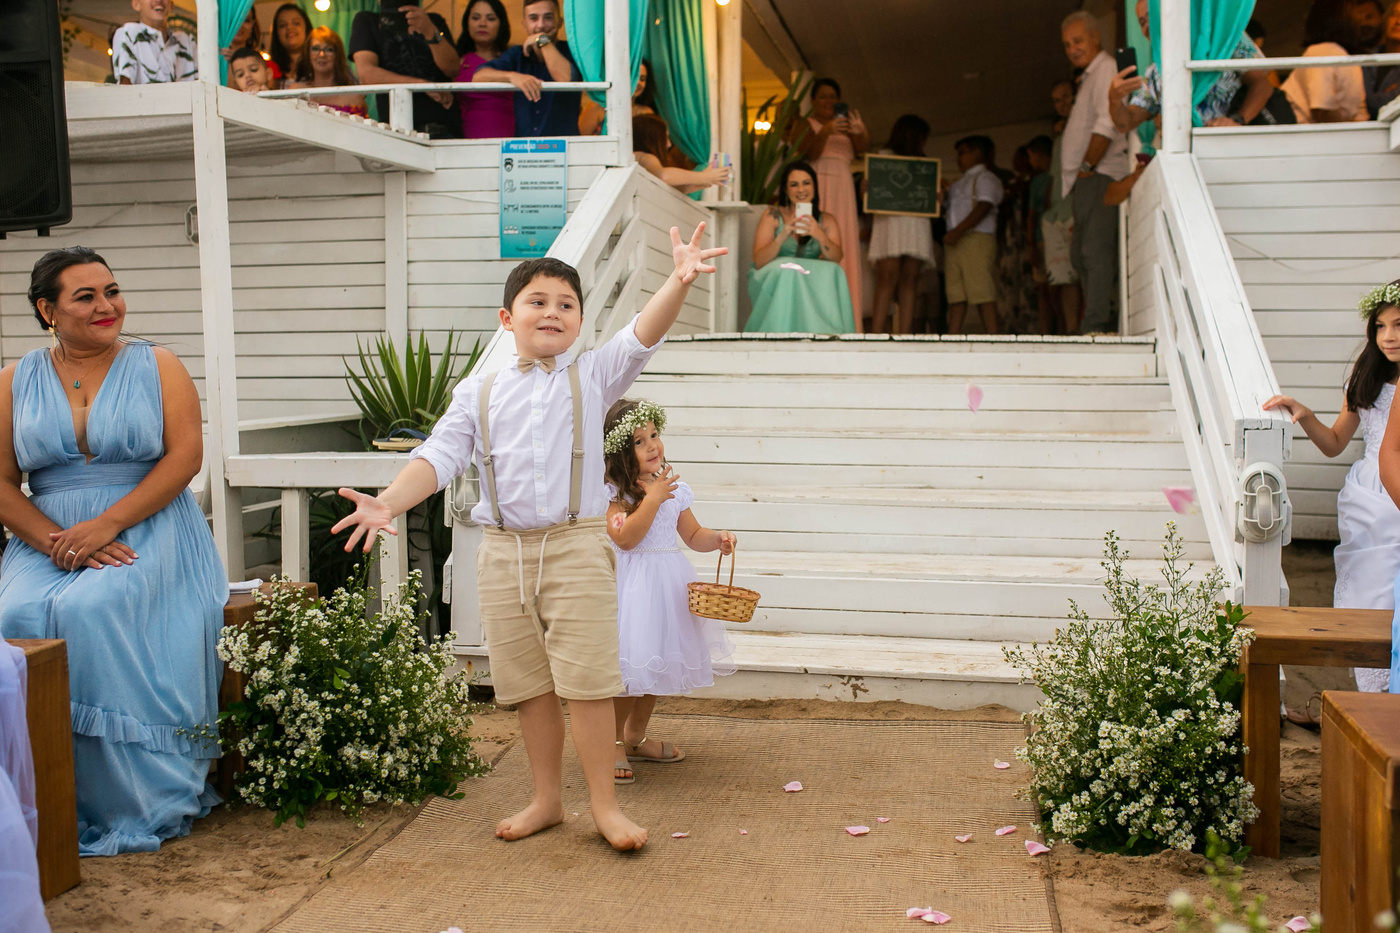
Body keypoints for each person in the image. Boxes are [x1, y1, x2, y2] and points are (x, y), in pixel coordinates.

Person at [331, 225, 726, 852]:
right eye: (537, 301)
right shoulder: (478, 390)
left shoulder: (593, 376)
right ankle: (547, 799)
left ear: (579, 322)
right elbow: (439, 456)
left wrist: (678, 281)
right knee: (528, 685)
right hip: (504, 552)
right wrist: (388, 501)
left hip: (576, 545)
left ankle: (604, 807)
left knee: (590, 682)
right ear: (507, 318)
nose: (552, 312)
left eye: (566, 304)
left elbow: (641, 335)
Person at [0, 248, 227, 856]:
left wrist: (106, 526)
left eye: (112, 291)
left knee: (92, 610)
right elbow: (1, 481)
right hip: (47, 537)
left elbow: (185, 458)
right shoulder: (14, 379)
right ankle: (35, 797)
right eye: (86, 296)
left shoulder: (159, 365)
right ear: (48, 310)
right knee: (13, 618)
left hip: (147, 525)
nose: (107, 306)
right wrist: (56, 541)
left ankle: (125, 797)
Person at [1266, 282, 1400, 694]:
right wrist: (1305, 415)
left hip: (1394, 481)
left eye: (1398, 325)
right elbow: (1335, 443)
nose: (1389, 336)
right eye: (1380, 327)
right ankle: (1373, 687)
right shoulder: (1367, 380)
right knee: (1372, 585)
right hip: (1373, 493)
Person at [602, 399, 736, 784]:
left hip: (668, 589)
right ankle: (610, 742)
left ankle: (635, 736)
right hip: (634, 591)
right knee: (633, 670)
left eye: (654, 435)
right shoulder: (614, 495)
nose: (652, 445)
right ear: (621, 452)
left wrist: (717, 539)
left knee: (657, 666)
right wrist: (652, 498)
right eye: (639, 441)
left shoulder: (672, 487)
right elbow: (624, 537)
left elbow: (692, 534)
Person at [1109, 0, 1278, 134]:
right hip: (1186, 155)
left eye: (1152, 15)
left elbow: (1262, 84)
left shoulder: (1220, 40)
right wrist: (1114, 98)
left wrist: (1237, 120)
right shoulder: (1156, 71)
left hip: (1232, 147)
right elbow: (1126, 122)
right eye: (1142, 22)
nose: (1148, 26)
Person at [1060, 11, 1129, 335]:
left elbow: (1108, 122)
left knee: (1094, 252)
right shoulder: (1090, 74)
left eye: (1078, 41)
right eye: (1067, 45)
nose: (1072, 49)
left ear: (1096, 37)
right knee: (1080, 256)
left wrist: (1087, 167)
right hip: (1089, 177)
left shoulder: (1105, 69)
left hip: (1102, 173)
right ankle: (1095, 322)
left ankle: (1096, 325)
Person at [745, 161, 854, 335]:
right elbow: (758, 261)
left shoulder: (826, 219)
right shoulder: (773, 215)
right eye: (794, 185)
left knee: (834, 270)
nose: (801, 189)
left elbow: (836, 258)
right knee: (790, 269)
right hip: (780, 274)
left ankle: (826, 333)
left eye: (806, 183)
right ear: (786, 190)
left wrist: (818, 234)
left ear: (814, 187)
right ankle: (779, 331)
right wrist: (783, 234)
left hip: (809, 275)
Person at [797, 78, 869, 330]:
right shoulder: (808, 124)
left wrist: (860, 132)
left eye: (833, 97)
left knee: (845, 242)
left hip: (843, 187)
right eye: (823, 96)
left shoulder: (846, 128)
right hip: (818, 183)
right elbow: (809, 153)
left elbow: (862, 150)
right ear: (813, 101)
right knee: (817, 238)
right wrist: (826, 130)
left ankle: (848, 319)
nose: (829, 101)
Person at [350, 1, 462, 137]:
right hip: (398, 129)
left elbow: (452, 69)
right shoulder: (368, 21)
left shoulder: (433, 21)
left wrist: (430, 30)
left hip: (444, 126)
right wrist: (420, 85)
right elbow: (367, 74)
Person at [868, 115, 936, 336]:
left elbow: (931, 196)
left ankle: (905, 335)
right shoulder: (882, 158)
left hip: (916, 222)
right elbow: (871, 192)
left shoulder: (924, 164)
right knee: (887, 277)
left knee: (910, 279)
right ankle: (876, 334)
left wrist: (937, 196)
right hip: (890, 222)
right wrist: (867, 188)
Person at [474, 0, 583, 138]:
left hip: (564, 146)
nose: (541, 24)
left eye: (548, 17)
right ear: (524, 24)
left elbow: (566, 79)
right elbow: (478, 77)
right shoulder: (517, 54)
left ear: (560, 22)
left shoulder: (572, 50)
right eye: (533, 18)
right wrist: (513, 77)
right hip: (524, 147)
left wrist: (542, 40)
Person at [943, 136, 1003, 336]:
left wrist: (958, 231)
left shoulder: (986, 178)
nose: (958, 159)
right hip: (955, 241)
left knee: (981, 289)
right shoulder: (959, 183)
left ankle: (993, 336)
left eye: (962, 153)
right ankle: (953, 336)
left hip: (976, 238)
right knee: (956, 294)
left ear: (977, 153)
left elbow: (984, 206)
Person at [1282, 0, 1371, 123]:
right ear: (1340, 19)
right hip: (1301, 131)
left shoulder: (1345, 57)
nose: (1361, 20)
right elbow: (1322, 110)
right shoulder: (1322, 51)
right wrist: (1348, 130)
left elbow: (1359, 113)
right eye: (1355, 13)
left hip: (1329, 132)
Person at [1042, 80, 1082, 335]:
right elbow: (1054, 177)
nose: (1062, 104)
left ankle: (1088, 326)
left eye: (1066, 97)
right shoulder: (1060, 137)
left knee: (1083, 269)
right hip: (1057, 212)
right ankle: (1071, 329)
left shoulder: (1085, 128)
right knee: (1063, 276)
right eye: (1057, 101)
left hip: (1078, 208)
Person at [455, 0, 514, 138]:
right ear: (467, 23)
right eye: (476, 18)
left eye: (490, 18)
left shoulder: (514, 59)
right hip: (467, 138)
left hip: (511, 139)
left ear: (501, 24)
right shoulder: (456, 63)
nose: (482, 24)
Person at [633, 115, 729, 194]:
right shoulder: (646, 157)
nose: (669, 144)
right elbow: (664, 176)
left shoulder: (636, 157)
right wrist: (704, 177)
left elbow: (670, 188)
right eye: (665, 138)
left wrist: (705, 180)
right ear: (652, 139)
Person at [111, 0, 198, 85]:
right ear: (136, 4)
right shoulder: (129, 33)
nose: (158, 0)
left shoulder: (187, 41)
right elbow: (125, 86)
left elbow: (202, 84)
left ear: (171, 4)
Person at [290, 27, 367, 116]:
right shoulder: (295, 92)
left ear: (337, 55)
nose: (322, 55)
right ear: (308, 54)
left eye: (329, 50)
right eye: (315, 49)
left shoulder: (353, 98)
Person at [1365, 3, 1400, 117]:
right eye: (1394, 14)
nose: (1398, 21)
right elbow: (1355, 100)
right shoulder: (1366, 57)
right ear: (1385, 20)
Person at [269, 4, 311, 89]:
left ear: (306, 27)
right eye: (282, 25)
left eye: (296, 23)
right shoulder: (269, 69)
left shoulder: (319, 64)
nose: (289, 28)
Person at [220, 8, 263, 73]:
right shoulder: (213, 60)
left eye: (246, 20)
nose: (240, 25)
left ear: (252, 25)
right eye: (233, 20)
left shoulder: (262, 65)